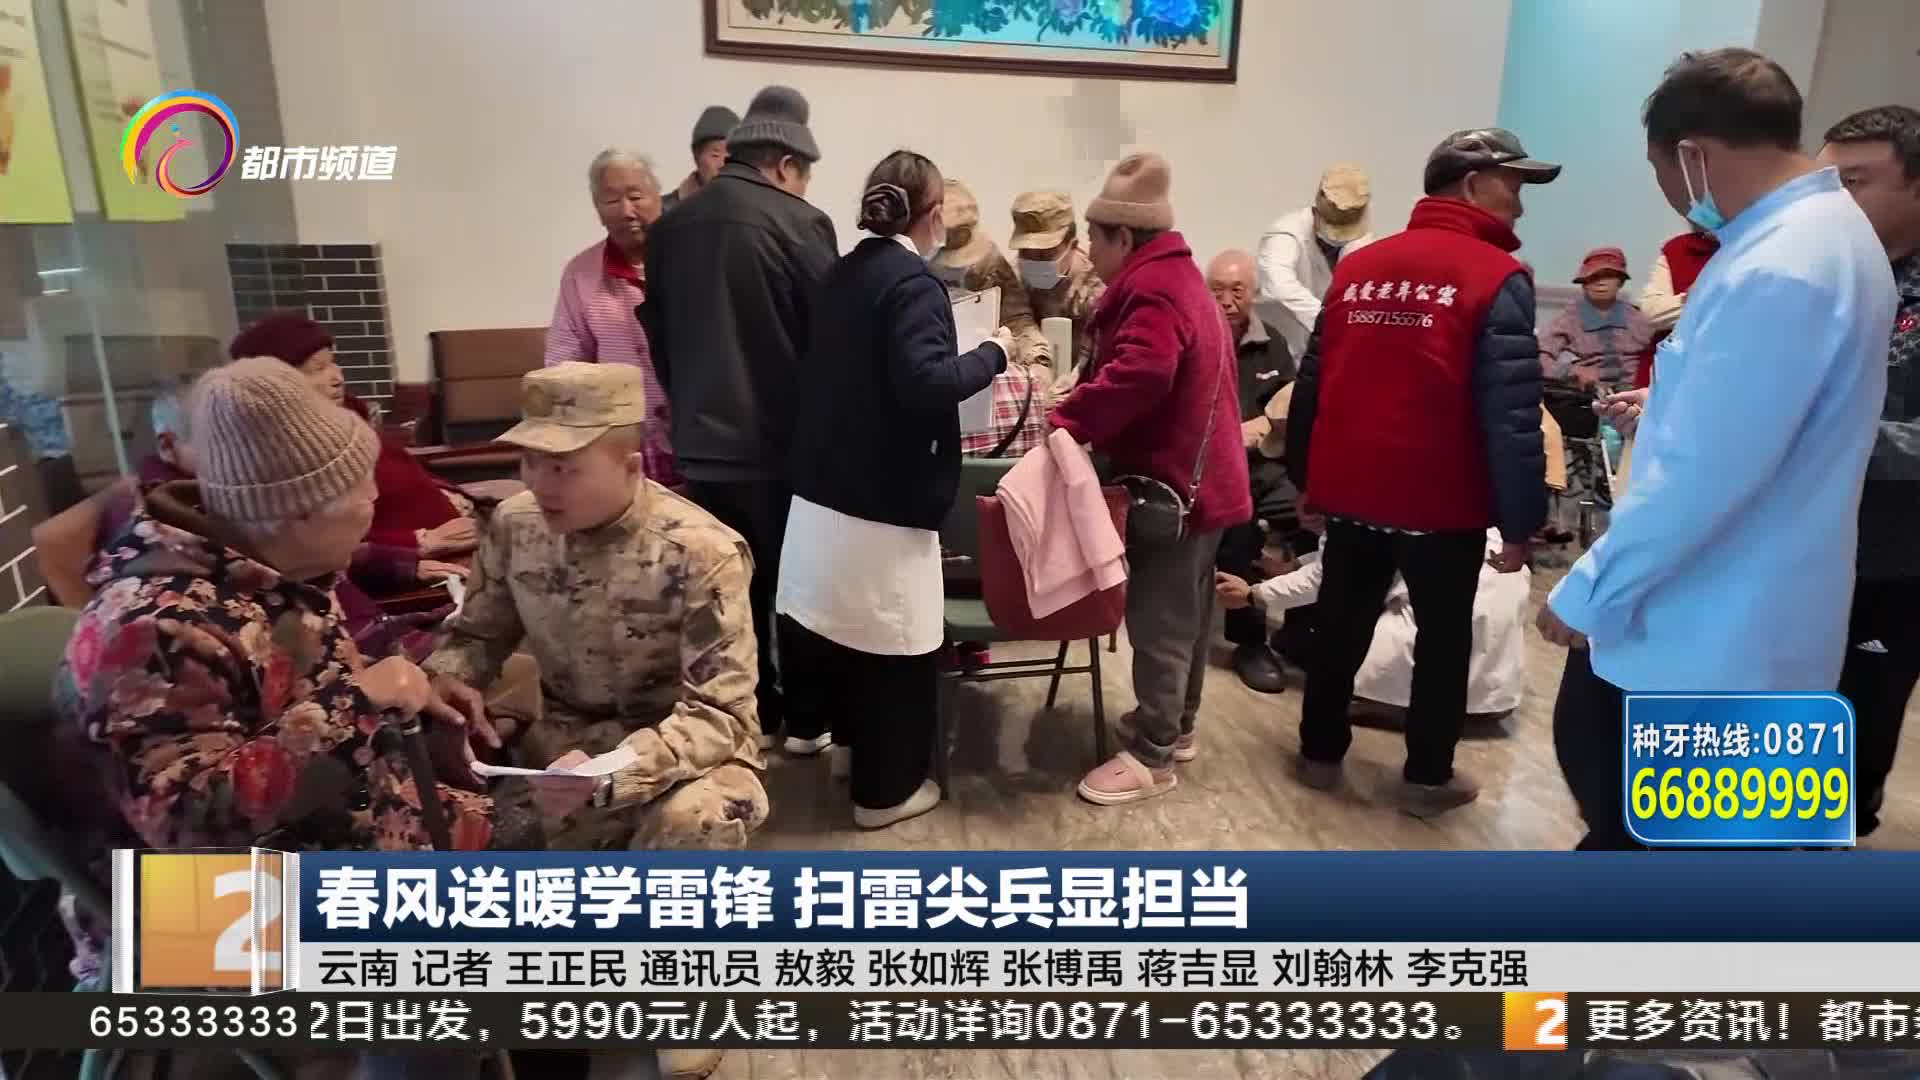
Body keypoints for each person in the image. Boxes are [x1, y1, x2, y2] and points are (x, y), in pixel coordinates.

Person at [53, 356, 543, 989]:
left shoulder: (274, 574)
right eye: (358, 490)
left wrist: (411, 691)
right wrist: (360, 704)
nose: (374, 501)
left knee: (557, 837)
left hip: (341, 826)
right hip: (206, 911)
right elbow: (188, 825)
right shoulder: (153, 628)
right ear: (293, 512)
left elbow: (289, 694)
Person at [1541, 49, 1898, 850]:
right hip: (1763, 629)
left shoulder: (1780, 264)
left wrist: (1590, 590)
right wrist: (1672, 401)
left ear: (1692, 154)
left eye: (1659, 172)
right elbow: (1765, 417)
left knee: (1647, 849)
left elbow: (1702, 478)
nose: (1672, 195)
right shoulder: (1835, 236)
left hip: (1702, 642)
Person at [1286, 127, 1554, 816]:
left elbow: (1313, 384)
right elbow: (1512, 415)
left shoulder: (1359, 269)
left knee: (1340, 624)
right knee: (1444, 639)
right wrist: (1521, 522)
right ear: (1473, 185)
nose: (1520, 204)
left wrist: (1304, 477)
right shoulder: (1497, 277)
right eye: (1514, 186)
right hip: (1442, 501)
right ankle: (1426, 778)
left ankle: (1319, 754)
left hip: (1352, 489)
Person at [423, 362, 767, 847]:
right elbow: (479, 635)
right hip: (564, 745)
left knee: (695, 821)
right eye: (530, 462)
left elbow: (721, 713)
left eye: (563, 468)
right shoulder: (515, 525)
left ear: (631, 467)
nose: (540, 484)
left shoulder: (700, 551)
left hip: (687, 752)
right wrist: (449, 677)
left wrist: (613, 771)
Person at [780, 151, 1011, 828]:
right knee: (895, 646)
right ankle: (885, 793)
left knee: (841, 633)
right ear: (932, 214)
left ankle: (850, 751)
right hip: (884, 502)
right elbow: (925, 383)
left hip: (821, 492)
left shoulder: (841, 272)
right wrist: (992, 354)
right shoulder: (913, 284)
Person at [1050, 153, 1250, 806]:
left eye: (1093, 236)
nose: (1087, 250)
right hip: (1207, 484)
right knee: (1187, 616)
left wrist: (1067, 418)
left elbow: (1143, 372)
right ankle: (1176, 727)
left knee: (1159, 622)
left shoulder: (1153, 288)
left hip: (1174, 490)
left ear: (1124, 236)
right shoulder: (1179, 278)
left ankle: (1152, 756)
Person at [643, 85, 837, 749]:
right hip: (782, 448)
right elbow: (832, 338)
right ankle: (807, 722)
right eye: (805, 175)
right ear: (785, 163)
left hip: (701, 446)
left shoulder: (670, 229)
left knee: (729, 592)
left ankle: (752, 715)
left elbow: (659, 339)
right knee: (799, 589)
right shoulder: (800, 223)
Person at [1818, 104, 1920, 837]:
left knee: (1855, 720)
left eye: (1855, 181)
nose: (1835, 201)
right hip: (1802, 545)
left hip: (1893, 558)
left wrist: (1830, 438)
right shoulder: (1832, 273)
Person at [232, 311, 479, 560]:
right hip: (429, 560)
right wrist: (418, 543)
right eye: (317, 368)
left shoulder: (346, 416)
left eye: (332, 362)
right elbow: (314, 545)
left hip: (462, 536)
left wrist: (444, 491)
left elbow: (398, 470)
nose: (337, 377)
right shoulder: (282, 454)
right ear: (276, 384)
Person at [1217, 524, 1530, 718]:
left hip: (1427, 663)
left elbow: (1331, 574)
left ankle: (1382, 706)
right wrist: (1292, 567)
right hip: (1497, 687)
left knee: (1330, 655)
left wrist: (1254, 595)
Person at [545, 148, 679, 485]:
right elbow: (563, 365)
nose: (626, 211)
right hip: (622, 448)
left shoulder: (693, 258)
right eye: (611, 200)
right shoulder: (581, 274)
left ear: (657, 196)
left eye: (636, 196)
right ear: (597, 209)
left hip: (696, 439)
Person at [1205, 248, 1300, 693]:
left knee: (1316, 514)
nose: (1226, 301)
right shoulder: (1195, 336)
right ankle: (1249, 640)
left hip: (1265, 464)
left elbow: (1289, 401)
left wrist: (1262, 425)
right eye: (1217, 290)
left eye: (1237, 290)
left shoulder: (1272, 342)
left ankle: (1302, 630)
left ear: (1254, 293)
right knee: (1240, 524)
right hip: (1213, 470)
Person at [1257, 163, 1376, 360]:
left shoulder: (1360, 242)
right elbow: (1279, 288)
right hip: (1282, 355)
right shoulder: (1284, 234)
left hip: (1331, 354)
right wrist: (1330, 322)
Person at [1005, 190, 1105, 379]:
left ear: (1072, 246)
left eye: (1044, 254)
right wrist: (1038, 365)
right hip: (1032, 378)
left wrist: (1077, 378)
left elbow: (1105, 347)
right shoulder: (1013, 278)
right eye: (1025, 252)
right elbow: (1017, 323)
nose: (1034, 261)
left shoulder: (1096, 285)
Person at [1538, 246, 1654, 390]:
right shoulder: (1569, 319)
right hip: (1590, 396)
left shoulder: (1638, 318)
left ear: (1621, 282)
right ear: (1584, 283)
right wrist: (1570, 371)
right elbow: (1538, 358)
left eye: (1609, 275)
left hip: (1639, 393)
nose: (1600, 283)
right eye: (1593, 277)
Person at [1633, 226, 1719, 388]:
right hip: (1669, 373)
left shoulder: (1754, 246)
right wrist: (1701, 298)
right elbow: (1652, 312)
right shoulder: (1678, 248)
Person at [660, 104, 738, 213]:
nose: (723, 164)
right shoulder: (666, 210)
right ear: (696, 157)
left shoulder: (754, 206)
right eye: (715, 155)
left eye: (731, 156)